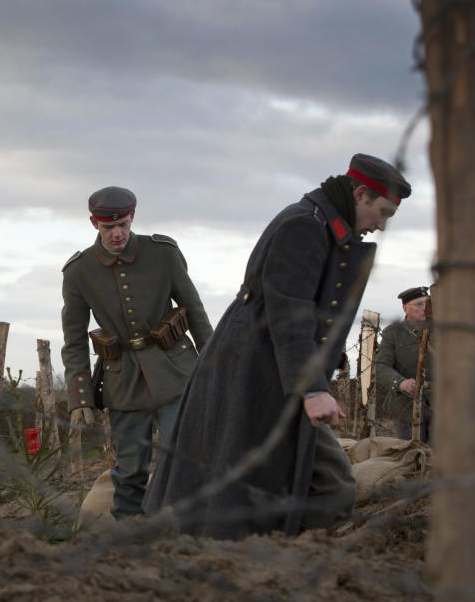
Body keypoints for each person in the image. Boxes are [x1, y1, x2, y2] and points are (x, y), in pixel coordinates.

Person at [143, 153, 411, 539]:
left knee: (294, 477)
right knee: (312, 481)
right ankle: (278, 559)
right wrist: (314, 389)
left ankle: (279, 554)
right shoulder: (304, 225)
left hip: (274, 368)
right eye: (381, 212)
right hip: (256, 371)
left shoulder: (320, 222)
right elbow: (289, 312)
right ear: (361, 194)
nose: (381, 225)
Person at [61, 186, 213, 519]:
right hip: (123, 383)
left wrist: (215, 370)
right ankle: (129, 546)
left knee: (188, 458)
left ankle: (196, 536)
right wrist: (80, 397)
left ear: (133, 217)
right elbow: (73, 341)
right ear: (93, 224)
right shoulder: (78, 271)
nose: (117, 234)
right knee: (129, 471)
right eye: (108, 227)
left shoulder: (163, 253)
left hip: (175, 373)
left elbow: (196, 312)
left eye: (124, 225)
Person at [375, 286, 433, 443]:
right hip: (407, 406)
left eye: (428, 303)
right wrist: (401, 383)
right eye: (419, 304)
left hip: (443, 405)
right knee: (412, 455)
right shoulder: (393, 333)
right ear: (405, 308)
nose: (425, 308)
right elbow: (380, 367)